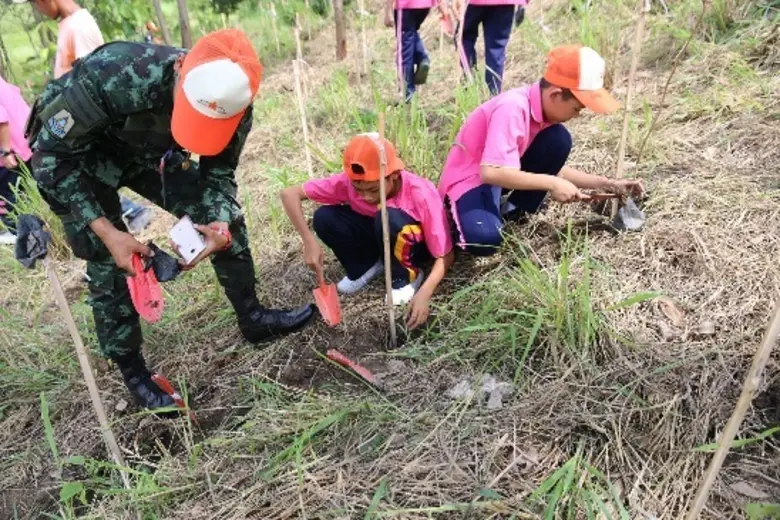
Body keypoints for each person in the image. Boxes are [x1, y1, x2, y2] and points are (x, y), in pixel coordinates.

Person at [26, 29, 315, 411]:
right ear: (180, 67)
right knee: (110, 262)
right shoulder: (113, 75)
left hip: (144, 151)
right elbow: (48, 158)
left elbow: (218, 177)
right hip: (74, 160)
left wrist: (220, 227)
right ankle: (134, 373)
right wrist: (108, 231)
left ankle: (253, 317)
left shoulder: (234, 103)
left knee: (224, 214)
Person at [439, 44, 645, 255]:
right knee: (484, 238)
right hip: (471, 182)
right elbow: (490, 172)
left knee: (558, 139)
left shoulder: (543, 116)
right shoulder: (513, 108)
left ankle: (510, 214)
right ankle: (458, 219)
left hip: (500, 177)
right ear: (556, 95)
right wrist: (552, 184)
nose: (576, 116)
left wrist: (607, 184)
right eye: (576, 108)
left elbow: (552, 171)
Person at [281, 134, 454, 329]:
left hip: (412, 244)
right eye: (358, 189)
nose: (365, 196)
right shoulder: (349, 184)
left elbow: (445, 255)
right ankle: (366, 265)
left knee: (387, 216)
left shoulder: (420, 193)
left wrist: (424, 293)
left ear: (394, 175)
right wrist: (308, 240)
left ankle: (406, 277)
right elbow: (289, 194)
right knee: (324, 217)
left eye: (373, 189)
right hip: (379, 234)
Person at [13, 0, 152, 234]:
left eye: (36, 4)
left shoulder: (78, 26)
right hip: (71, 116)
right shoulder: (70, 24)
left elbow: (91, 78)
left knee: (82, 175)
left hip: (80, 119)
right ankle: (122, 219)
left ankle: (131, 213)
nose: (38, 10)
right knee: (86, 177)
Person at [453, 0, 526, 95]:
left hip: (472, 3)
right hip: (504, 3)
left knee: (463, 38)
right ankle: (494, 94)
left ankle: (469, 85)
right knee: (497, 47)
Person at [384, 0, 442, 100]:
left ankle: (407, 91)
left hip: (405, 5)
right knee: (410, 33)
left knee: (405, 47)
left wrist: (387, 11)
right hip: (425, 4)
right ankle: (422, 57)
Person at [0, 77, 33, 245]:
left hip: (11, 150)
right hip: (27, 137)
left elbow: (1, 119)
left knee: (8, 193)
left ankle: (21, 236)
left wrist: (5, 152)